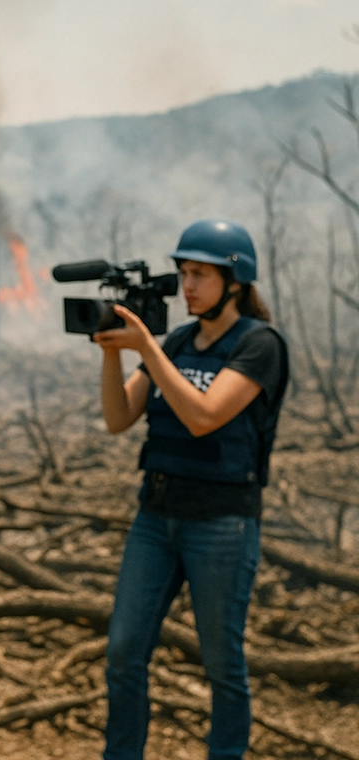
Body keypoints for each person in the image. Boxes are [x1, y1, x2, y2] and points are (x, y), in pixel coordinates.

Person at [93, 219, 289, 760]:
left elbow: (204, 416)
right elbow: (118, 417)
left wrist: (148, 350)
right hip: (155, 518)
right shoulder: (178, 341)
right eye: (183, 273)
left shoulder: (259, 345)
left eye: (200, 274)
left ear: (235, 280)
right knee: (123, 652)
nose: (188, 286)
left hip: (222, 524)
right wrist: (113, 350)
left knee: (222, 662)